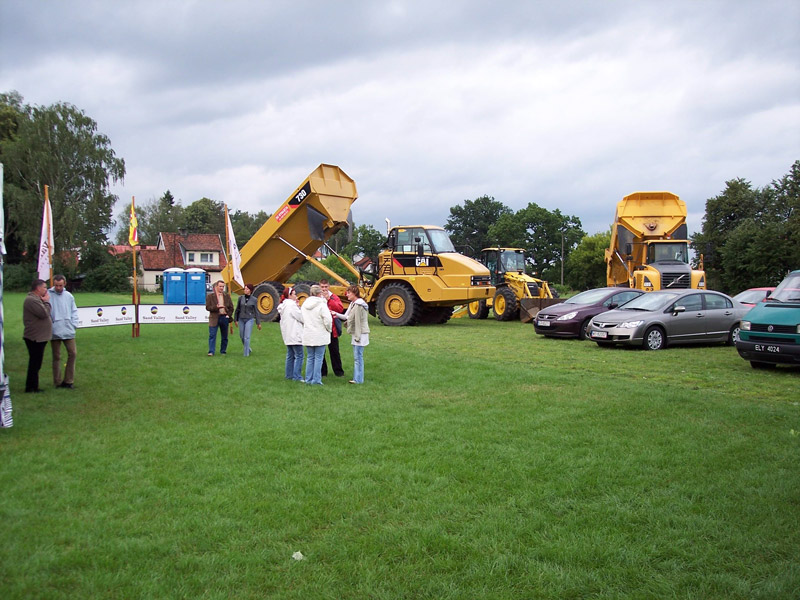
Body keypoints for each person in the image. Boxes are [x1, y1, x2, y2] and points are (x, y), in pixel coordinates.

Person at [334, 285, 370, 384]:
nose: (347, 295)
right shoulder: (353, 303)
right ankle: (356, 378)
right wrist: (335, 313)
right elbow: (346, 316)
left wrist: (357, 337)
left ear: (354, 293)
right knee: (356, 357)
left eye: (349, 293)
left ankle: (358, 379)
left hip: (360, 333)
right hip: (357, 333)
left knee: (358, 357)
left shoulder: (359, 304)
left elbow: (357, 321)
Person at [49, 274, 79, 389]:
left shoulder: (69, 296)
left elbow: (74, 311)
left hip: (68, 329)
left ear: (64, 284)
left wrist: (74, 324)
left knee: (73, 353)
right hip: (54, 330)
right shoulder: (48, 295)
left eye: (60, 285)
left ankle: (68, 381)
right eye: (56, 285)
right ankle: (57, 381)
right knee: (56, 356)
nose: (58, 288)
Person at [23, 279, 52, 393]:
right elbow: (44, 313)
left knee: (36, 362)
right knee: (35, 363)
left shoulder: (36, 299)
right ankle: (31, 387)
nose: (46, 289)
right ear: (38, 288)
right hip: (35, 337)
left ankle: (33, 386)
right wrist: (47, 302)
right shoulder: (32, 300)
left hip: (39, 337)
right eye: (44, 287)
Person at [301, 284, 332, 385]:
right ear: (319, 293)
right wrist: (328, 329)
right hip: (319, 333)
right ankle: (316, 379)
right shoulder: (322, 305)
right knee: (319, 357)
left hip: (308, 333)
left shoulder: (304, 305)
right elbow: (328, 320)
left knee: (310, 357)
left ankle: (308, 379)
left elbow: (302, 318)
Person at [319, 279, 345, 377]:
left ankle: (338, 372)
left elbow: (340, 309)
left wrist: (329, 300)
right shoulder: (317, 298)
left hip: (332, 328)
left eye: (326, 287)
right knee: (321, 351)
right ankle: (323, 372)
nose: (324, 289)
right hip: (321, 328)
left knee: (335, 351)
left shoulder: (333, 297)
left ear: (329, 287)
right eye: (322, 287)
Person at [277, 287, 304, 381]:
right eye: (294, 294)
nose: (296, 296)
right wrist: (299, 307)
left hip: (287, 334)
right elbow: (301, 317)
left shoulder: (284, 305)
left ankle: (289, 375)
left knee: (290, 354)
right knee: (299, 355)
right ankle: (297, 376)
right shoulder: (291, 305)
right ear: (289, 295)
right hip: (295, 333)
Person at [205, 280, 234, 356]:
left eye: (223, 286)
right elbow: (208, 307)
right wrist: (216, 307)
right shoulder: (210, 296)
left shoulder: (227, 296)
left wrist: (228, 315)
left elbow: (231, 308)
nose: (221, 288)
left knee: (224, 336)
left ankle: (223, 351)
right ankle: (211, 351)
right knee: (212, 335)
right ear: (216, 287)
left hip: (224, 317)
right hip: (214, 318)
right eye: (220, 286)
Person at [233, 283, 262, 357]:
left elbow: (256, 311)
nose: (245, 290)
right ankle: (248, 348)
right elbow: (237, 309)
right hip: (241, 318)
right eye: (245, 289)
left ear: (250, 290)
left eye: (247, 289)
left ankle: (246, 354)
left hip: (249, 319)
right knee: (242, 336)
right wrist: (235, 319)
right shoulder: (241, 298)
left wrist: (258, 323)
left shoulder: (254, 300)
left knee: (247, 337)